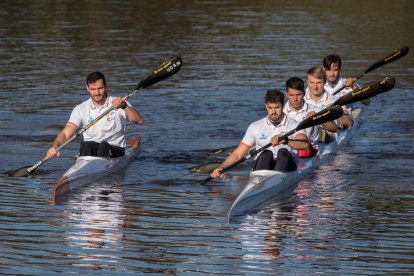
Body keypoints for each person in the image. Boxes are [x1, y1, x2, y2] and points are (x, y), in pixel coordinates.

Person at [210, 89, 309, 180]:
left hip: (286, 166)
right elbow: (238, 153)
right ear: (266, 106)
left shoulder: (294, 125)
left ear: (283, 106)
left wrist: (286, 141)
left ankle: (274, 181)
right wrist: (222, 167)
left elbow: (304, 145)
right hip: (263, 165)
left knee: (283, 151)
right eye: (270, 108)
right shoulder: (255, 126)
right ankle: (259, 183)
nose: (273, 111)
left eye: (277, 107)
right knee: (266, 154)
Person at [45, 71, 143, 160]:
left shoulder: (119, 102)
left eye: (100, 88)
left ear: (105, 86)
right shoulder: (81, 108)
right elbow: (66, 134)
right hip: (89, 151)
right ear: (87, 88)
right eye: (93, 89)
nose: (97, 93)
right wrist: (54, 146)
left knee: (104, 146)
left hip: (115, 151)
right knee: (87, 145)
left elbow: (139, 121)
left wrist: (124, 106)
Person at [283, 77, 337, 156]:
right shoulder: (281, 113)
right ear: (286, 94)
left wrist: (318, 117)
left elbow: (334, 129)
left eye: (298, 94)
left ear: (304, 93)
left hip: (312, 153)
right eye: (291, 95)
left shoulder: (315, 110)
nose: (295, 99)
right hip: (288, 154)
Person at [305, 66, 353, 130]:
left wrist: (337, 112)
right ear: (307, 82)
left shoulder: (335, 100)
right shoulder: (299, 98)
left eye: (319, 83)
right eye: (311, 83)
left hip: (330, 134)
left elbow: (349, 124)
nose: (315, 87)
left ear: (325, 82)